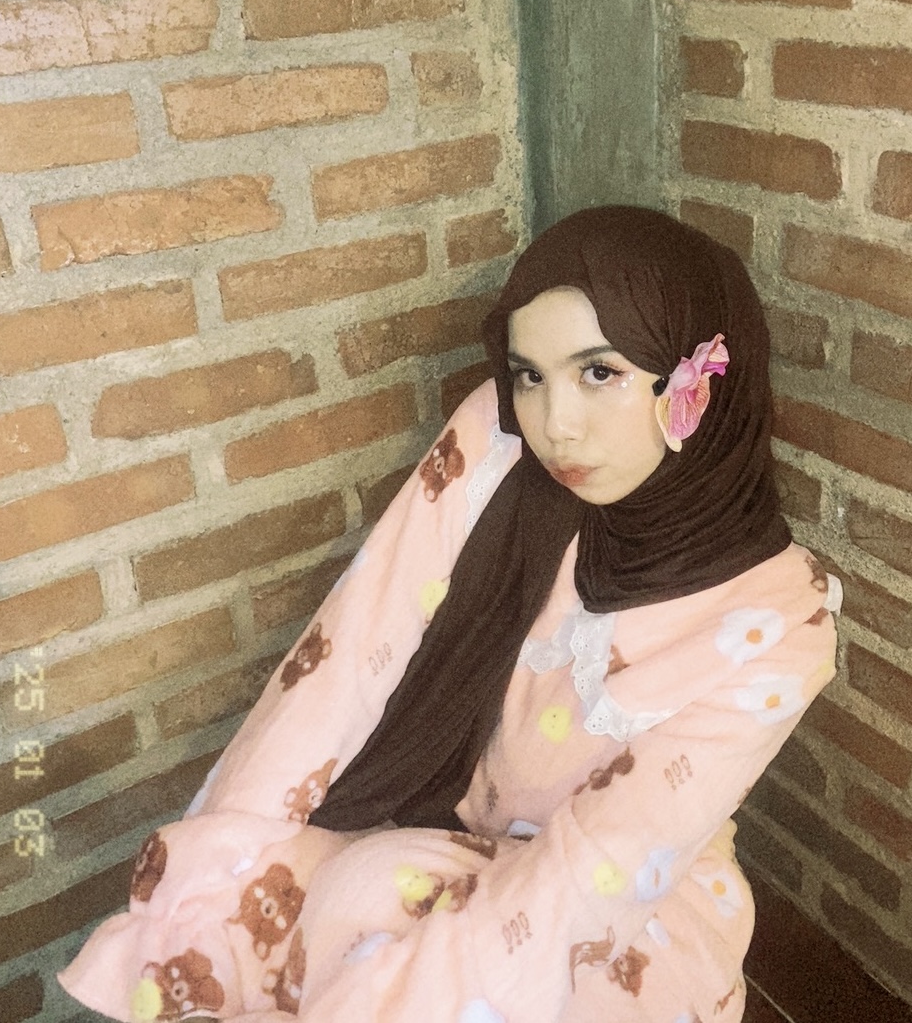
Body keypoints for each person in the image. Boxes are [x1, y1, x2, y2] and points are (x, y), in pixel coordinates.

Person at [59, 206, 839, 1023]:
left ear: (702, 385)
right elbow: (353, 651)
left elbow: (598, 871)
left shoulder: (783, 622)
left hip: (640, 893)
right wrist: (236, 842)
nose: (555, 424)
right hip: (455, 837)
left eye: (599, 373)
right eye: (529, 375)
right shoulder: (499, 445)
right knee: (329, 895)